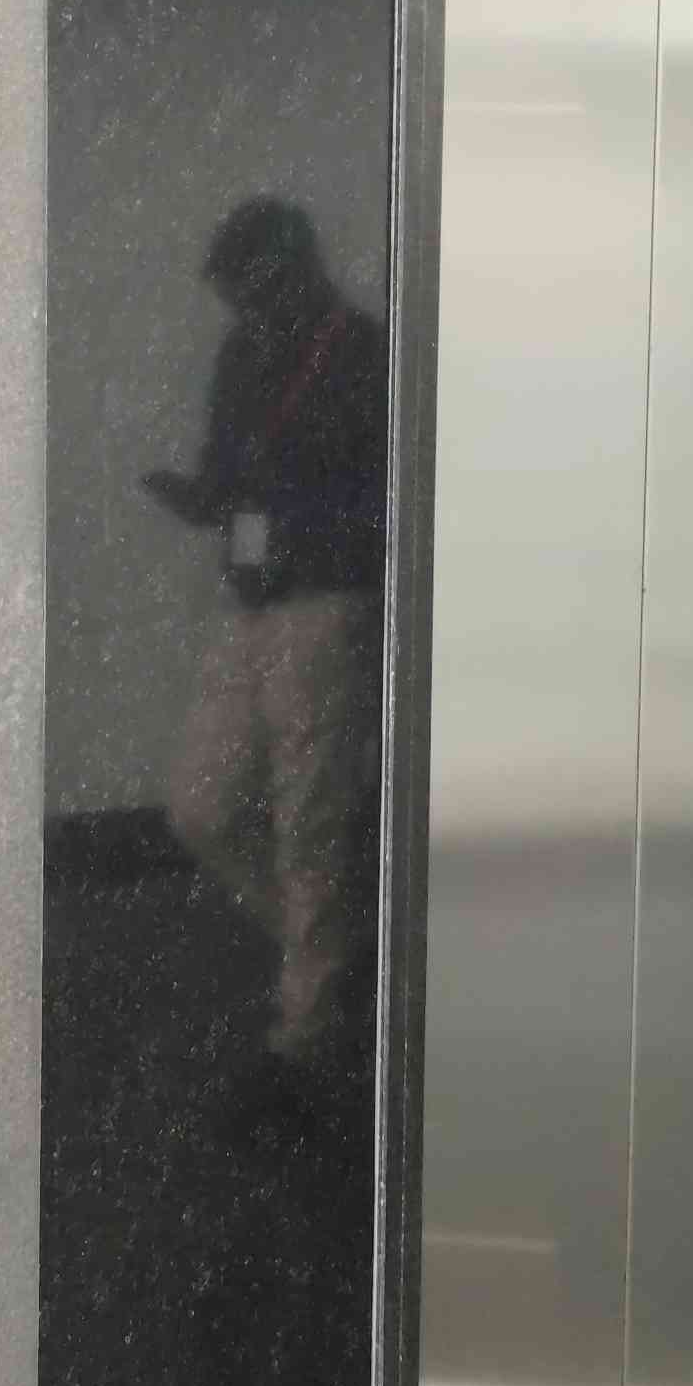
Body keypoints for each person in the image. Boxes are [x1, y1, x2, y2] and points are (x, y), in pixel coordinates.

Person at [145, 199, 387, 1088]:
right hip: (252, 610)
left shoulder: (363, 355)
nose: (240, 312)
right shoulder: (241, 354)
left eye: (249, 292)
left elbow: (385, 507)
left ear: (291, 271)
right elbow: (228, 479)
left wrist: (289, 528)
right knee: (200, 809)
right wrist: (198, 500)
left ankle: (307, 1039)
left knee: (309, 830)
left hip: (327, 610)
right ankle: (341, 964)